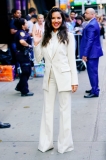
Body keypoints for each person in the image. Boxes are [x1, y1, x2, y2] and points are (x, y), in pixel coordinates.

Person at [33, 7, 78, 153]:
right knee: (47, 111)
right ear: (49, 20)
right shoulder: (45, 36)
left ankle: (65, 145)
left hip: (65, 76)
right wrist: (36, 43)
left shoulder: (69, 36)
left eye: (59, 18)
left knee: (65, 112)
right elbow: (39, 58)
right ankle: (46, 143)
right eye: (53, 18)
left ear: (62, 19)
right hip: (49, 78)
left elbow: (71, 59)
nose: (56, 21)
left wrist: (74, 80)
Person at [80, 8, 103, 98]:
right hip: (93, 52)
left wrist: (85, 54)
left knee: (92, 72)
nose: (85, 14)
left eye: (86, 13)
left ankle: (95, 91)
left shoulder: (92, 25)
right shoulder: (93, 23)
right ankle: (94, 88)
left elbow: (89, 41)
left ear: (92, 15)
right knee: (92, 72)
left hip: (91, 53)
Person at [14, 18, 34, 97]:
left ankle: (19, 86)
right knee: (26, 71)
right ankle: (24, 91)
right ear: (22, 25)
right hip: (22, 54)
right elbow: (22, 41)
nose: (27, 24)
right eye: (26, 23)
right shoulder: (21, 32)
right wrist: (28, 45)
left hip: (23, 54)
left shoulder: (22, 32)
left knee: (27, 71)